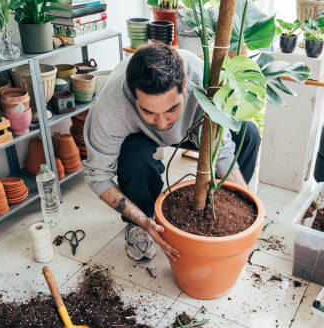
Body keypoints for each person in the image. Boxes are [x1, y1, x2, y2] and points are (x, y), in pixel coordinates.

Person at [83, 43, 260, 262]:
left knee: (248, 134)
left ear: (185, 85)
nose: (162, 122)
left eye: (171, 109)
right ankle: (139, 222)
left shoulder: (201, 81)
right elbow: (98, 176)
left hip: (193, 130)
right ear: (133, 97)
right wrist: (143, 220)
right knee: (134, 155)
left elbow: (221, 152)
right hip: (140, 137)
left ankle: (224, 202)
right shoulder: (111, 107)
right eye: (148, 111)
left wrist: (248, 202)